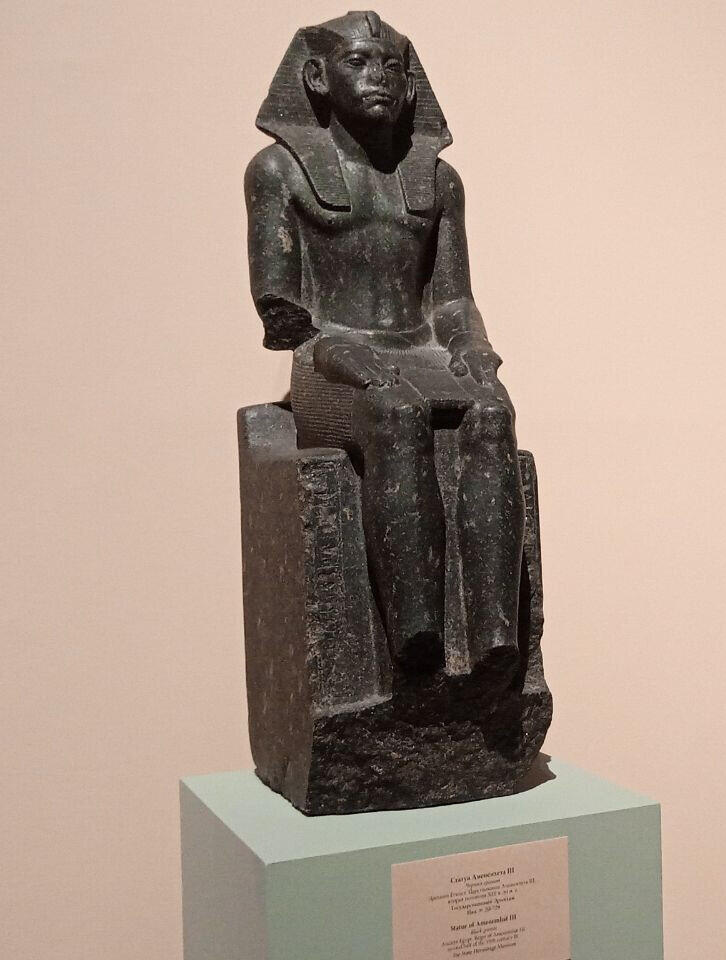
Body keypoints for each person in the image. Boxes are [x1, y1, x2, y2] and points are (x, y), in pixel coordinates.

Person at [246, 11, 523, 669]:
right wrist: (337, 349)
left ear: (410, 86)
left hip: (420, 348)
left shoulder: (440, 182)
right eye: (359, 62)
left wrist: (471, 347)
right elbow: (284, 308)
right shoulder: (278, 172)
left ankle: (494, 640)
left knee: (493, 412)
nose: (379, 78)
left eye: (391, 66)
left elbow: (451, 298)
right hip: (329, 355)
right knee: (395, 412)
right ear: (317, 78)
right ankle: (414, 642)